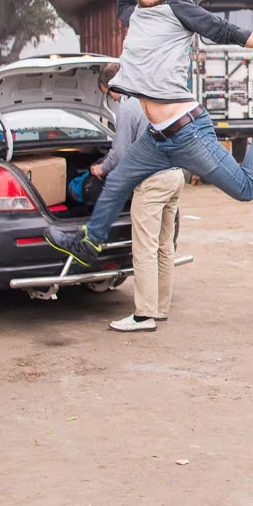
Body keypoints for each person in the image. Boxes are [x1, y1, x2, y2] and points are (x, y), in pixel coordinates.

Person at [45, 0, 253, 266]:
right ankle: (89, 243)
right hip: (156, 138)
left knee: (245, 188)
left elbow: (222, 29)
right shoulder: (136, 15)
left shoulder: (177, 9)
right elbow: (123, 5)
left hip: (187, 132)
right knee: (117, 180)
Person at [93, 64, 183, 333]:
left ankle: (144, 316)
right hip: (175, 175)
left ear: (115, 86)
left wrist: (101, 168)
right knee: (165, 246)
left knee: (144, 249)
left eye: (109, 94)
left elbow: (120, 151)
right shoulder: (156, 96)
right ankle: (160, 308)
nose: (112, 99)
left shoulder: (128, 106)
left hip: (151, 182)